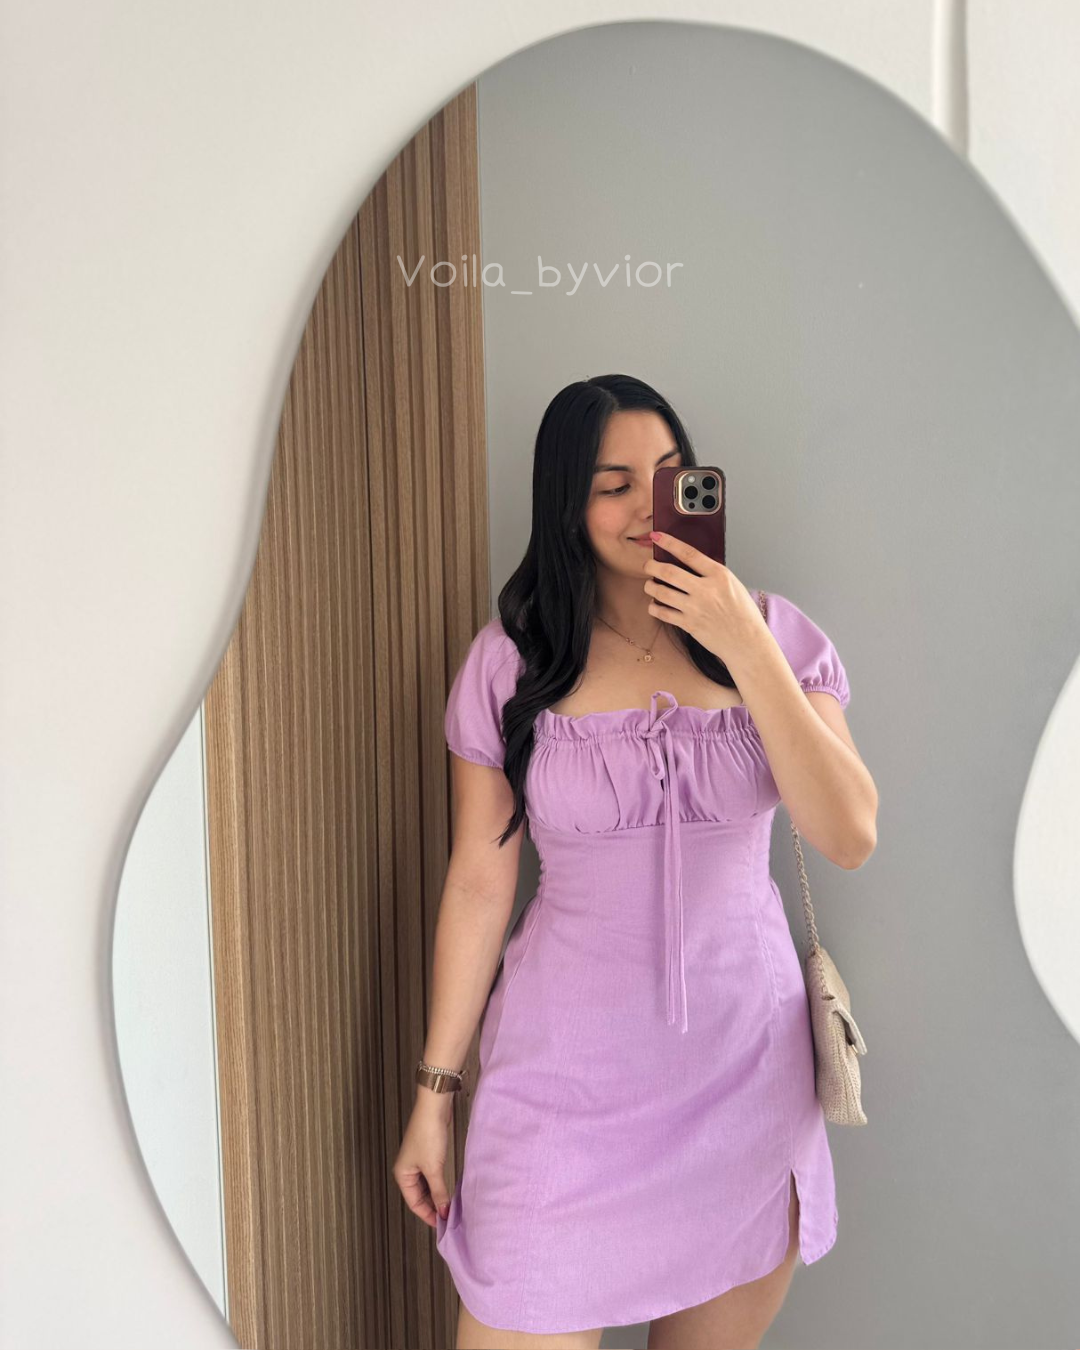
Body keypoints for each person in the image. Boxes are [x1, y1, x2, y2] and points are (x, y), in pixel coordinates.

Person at [392, 374, 878, 1350]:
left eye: (668, 476)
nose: (647, 506)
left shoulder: (776, 635)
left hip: (745, 1082)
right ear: (565, 504)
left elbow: (849, 833)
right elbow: (479, 884)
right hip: (559, 1092)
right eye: (613, 485)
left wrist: (743, 641)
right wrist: (435, 1096)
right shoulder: (511, 663)